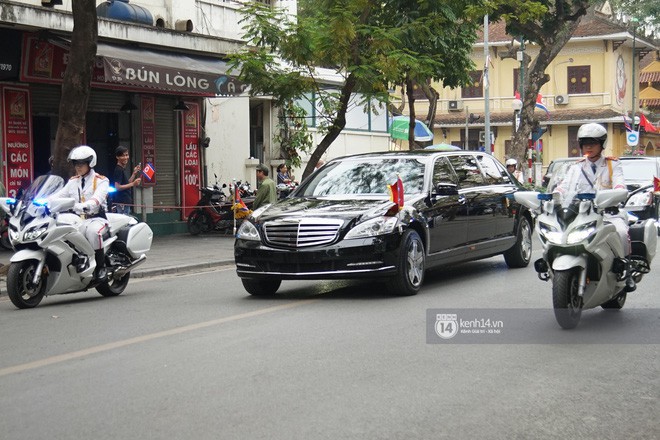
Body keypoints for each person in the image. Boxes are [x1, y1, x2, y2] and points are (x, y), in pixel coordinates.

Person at [553, 122, 635, 292]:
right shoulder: (576, 167)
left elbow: (620, 184)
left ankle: (625, 271)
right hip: (581, 214)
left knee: (619, 231)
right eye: (585, 143)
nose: (588, 147)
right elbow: (565, 185)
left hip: (608, 213)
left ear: (601, 145)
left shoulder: (612, 164)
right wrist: (556, 194)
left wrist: (618, 193)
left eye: (593, 143)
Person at [51, 145, 110, 281]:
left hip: (96, 218)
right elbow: (59, 195)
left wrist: (84, 206)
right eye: (76, 163)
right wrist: (41, 202)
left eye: (82, 163)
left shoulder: (101, 181)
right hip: (77, 219)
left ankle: (101, 268)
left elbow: (97, 200)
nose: (78, 166)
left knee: (93, 233)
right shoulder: (73, 181)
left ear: (90, 163)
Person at [112, 146, 141, 215]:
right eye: (122, 156)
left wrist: (134, 174)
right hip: (122, 204)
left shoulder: (121, 169)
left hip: (125, 203)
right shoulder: (118, 170)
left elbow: (127, 183)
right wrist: (133, 184)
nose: (125, 157)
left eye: (126, 155)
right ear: (117, 157)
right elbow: (117, 187)